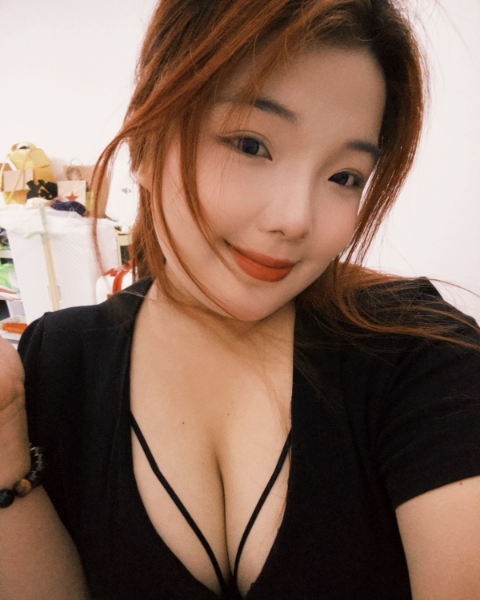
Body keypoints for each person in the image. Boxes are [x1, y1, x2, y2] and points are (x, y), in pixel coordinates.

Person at [1, 0, 480, 598]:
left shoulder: (420, 352)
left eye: (345, 176)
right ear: (145, 144)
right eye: (251, 144)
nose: (295, 219)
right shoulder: (57, 362)